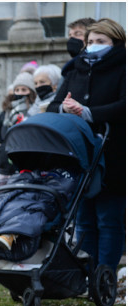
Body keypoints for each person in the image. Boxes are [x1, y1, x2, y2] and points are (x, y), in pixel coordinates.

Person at [47, 18, 126, 274]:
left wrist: (89, 112)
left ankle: (106, 274)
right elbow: (53, 105)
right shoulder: (74, 69)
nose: (93, 46)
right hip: (79, 155)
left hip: (113, 155)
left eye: (100, 42)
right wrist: (65, 108)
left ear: (115, 43)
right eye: (90, 42)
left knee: (109, 219)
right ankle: (88, 274)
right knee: (84, 219)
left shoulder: (123, 66)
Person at [0, 168, 79, 260]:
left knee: (28, 212)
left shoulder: (64, 176)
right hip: (18, 196)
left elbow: (62, 190)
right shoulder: (29, 171)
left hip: (39, 200)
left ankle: (8, 235)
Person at [0, 72, 37, 188]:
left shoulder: (35, 112)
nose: (20, 93)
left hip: (28, 168)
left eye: (24, 90)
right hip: (5, 168)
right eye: (17, 90)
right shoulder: (6, 113)